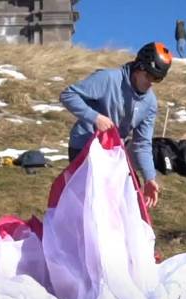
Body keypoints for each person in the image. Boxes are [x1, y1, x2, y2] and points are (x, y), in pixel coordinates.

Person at [59, 42, 173, 209]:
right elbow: (68, 95)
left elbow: (142, 144)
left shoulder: (150, 103)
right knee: (89, 203)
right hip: (84, 146)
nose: (151, 83)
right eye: (149, 76)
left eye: (158, 79)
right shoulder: (108, 79)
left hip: (112, 153)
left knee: (115, 204)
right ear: (139, 67)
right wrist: (95, 117)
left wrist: (149, 178)